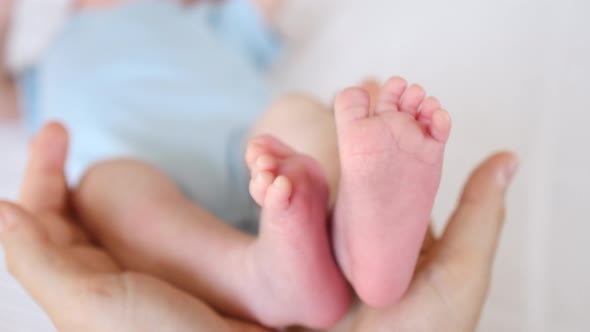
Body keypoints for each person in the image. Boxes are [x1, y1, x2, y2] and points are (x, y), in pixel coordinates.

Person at [0, 122, 518, 331]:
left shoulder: (217, 20)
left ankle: (353, 244)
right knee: (102, 185)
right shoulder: (39, 64)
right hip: (143, 166)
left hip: (258, 150)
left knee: (306, 118)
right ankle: (262, 273)